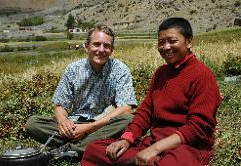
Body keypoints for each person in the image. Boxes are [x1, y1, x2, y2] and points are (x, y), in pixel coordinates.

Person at [81, 17, 222, 166]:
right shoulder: (161, 73)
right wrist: (126, 139)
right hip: (154, 143)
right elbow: (145, 112)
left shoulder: (202, 75)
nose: (166, 47)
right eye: (161, 42)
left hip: (187, 147)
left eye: (172, 41)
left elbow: (197, 127)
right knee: (94, 149)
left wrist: (155, 149)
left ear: (188, 42)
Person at [25, 25, 137, 158]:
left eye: (106, 46)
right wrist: (63, 122)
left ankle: (70, 149)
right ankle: (84, 146)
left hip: (103, 125)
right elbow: (61, 104)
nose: (101, 50)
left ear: (112, 50)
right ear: (86, 46)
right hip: (75, 125)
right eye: (96, 44)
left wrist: (88, 129)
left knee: (129, 119)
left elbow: (126, 108)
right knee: (33, 123)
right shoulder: (73, 69)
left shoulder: (120, 70)